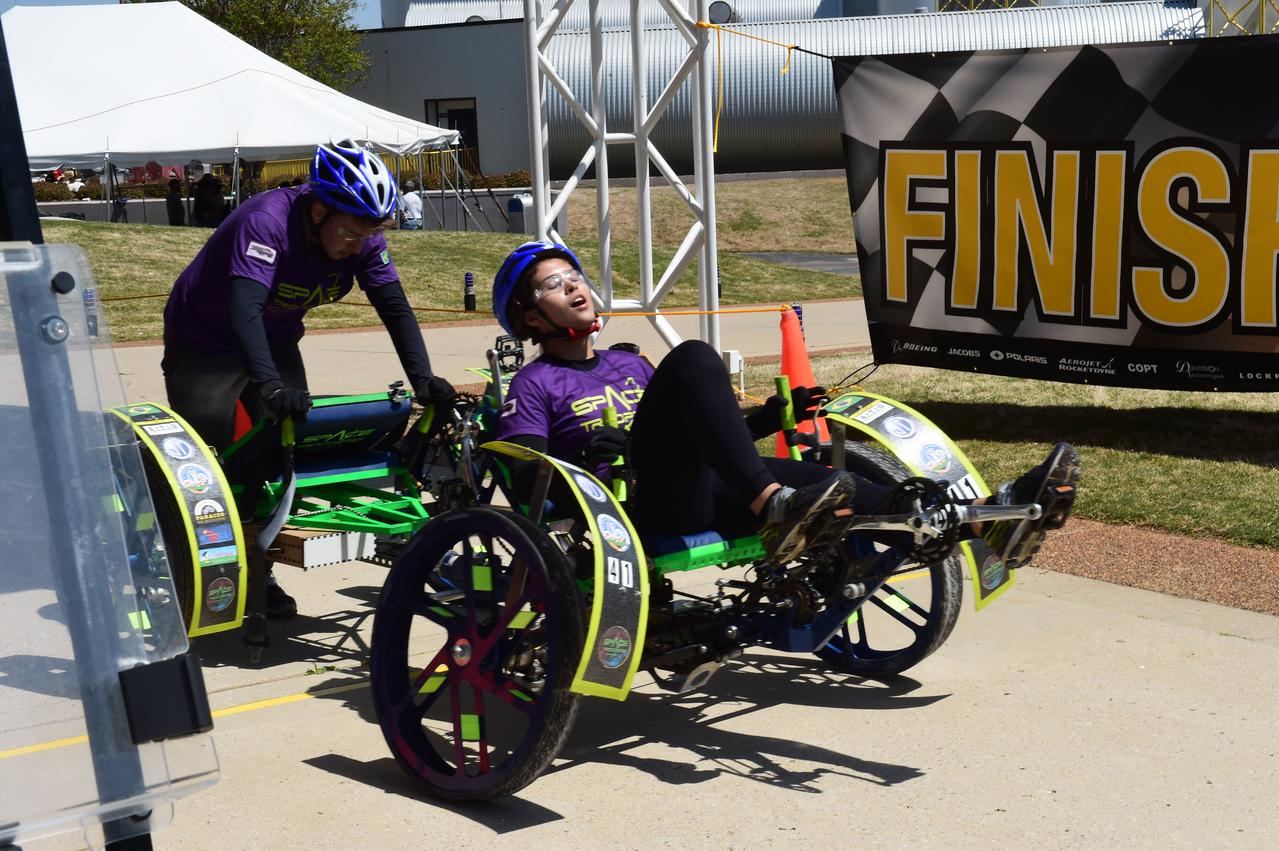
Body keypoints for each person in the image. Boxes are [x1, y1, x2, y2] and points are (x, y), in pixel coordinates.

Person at [491, 241, 1081, 564]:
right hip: (636, 505)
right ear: (530, 316)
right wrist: (590, 458)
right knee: (697, 357)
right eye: (552, 283)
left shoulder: (631, 364)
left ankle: (984, 520)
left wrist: (773, 418)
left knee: (830, 480)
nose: (573, 285)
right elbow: (526, 476)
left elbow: (716, 444)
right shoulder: (535, 385)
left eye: (574, 274)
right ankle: (778, 507)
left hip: (709, 488)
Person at [162, 140, 457, 618]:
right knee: (215, 462)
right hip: (205, 341)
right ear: (319, 211)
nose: (358, 246)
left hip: (275, 336)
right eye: (351, 234)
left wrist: (422, 379)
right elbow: (245, 308)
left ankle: (263, 564)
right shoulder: (266, 222)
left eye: (369, 235)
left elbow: (394, 306)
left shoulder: (359, 234)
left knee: (283, 448)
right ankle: (205, 562)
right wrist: (268, 386)